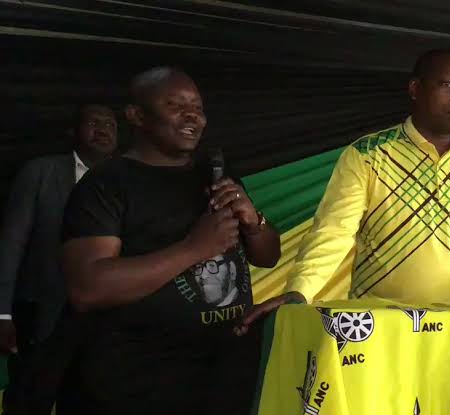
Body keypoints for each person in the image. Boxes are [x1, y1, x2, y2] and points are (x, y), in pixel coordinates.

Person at [60, 67, 280, 414]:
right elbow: (87, 288)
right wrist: (194, 249)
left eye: (198, 107)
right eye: (175, 105)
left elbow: (268, 257)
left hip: (222, 376)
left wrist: (254, 223)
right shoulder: (106, 185)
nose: (193, 116)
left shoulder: (216, 174)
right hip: (136, 385)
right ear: (136, 115)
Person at [238, 49, 450, 333]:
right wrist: (299, 291)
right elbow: (335, 232)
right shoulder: (368, 155)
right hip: (379, 327)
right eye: (447, 84)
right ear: (415, 89)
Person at [0, 104, 117, 414]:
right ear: (73, 131)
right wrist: (2, 313)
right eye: (94, 123)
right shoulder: (41, 172)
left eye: (110, 124)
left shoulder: (127, 178)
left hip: (106, 322)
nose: (103, 130)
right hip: (44, 313)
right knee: (30, 397)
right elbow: (12, 243)